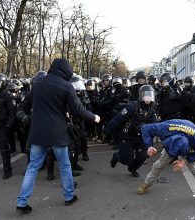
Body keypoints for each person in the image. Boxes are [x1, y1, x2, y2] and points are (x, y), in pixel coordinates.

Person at [16, 58, 100, 214]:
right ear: (66, 71)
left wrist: (25, 118)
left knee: (32, 167)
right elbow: (78, 110)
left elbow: (23, 106)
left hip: (38, 132)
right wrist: (94, 117)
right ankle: (69, 197)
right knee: (64, 165)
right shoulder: (66, 86)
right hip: (57, 133)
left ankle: (22, 202)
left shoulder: (38, 83)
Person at [137, 119, 195, 195]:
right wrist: (149, 146)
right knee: (159, 165)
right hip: (174, 140)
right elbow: (145, 128)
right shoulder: (163, 129)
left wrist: (185, 161)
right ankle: (146, 184)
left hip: (188, 142)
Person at [104, 85, 157, 177]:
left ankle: (132, 168)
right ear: (141, 96)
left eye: (150, 95)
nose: (148, 98)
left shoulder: (151, 110)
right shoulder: (133, 106)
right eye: (146, 95)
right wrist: (107, 130)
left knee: (143, 156)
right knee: (127, 160)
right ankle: (116, 157)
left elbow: (155, 124)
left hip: (140, 137)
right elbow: (118, 118)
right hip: (126, 136)